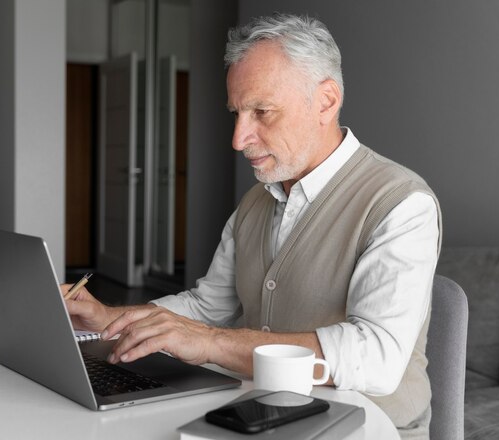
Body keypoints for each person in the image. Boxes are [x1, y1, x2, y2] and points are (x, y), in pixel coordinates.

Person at [63, 13, 441, 439]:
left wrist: (211, 342)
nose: (239, 138)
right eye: (237, 113)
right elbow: (209, 307)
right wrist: (108, 319)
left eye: (262, 111)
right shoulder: (256, 201)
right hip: (266, 414)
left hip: (368, 425)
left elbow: (376, 358)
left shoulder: (402, 203)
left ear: (326, 101)